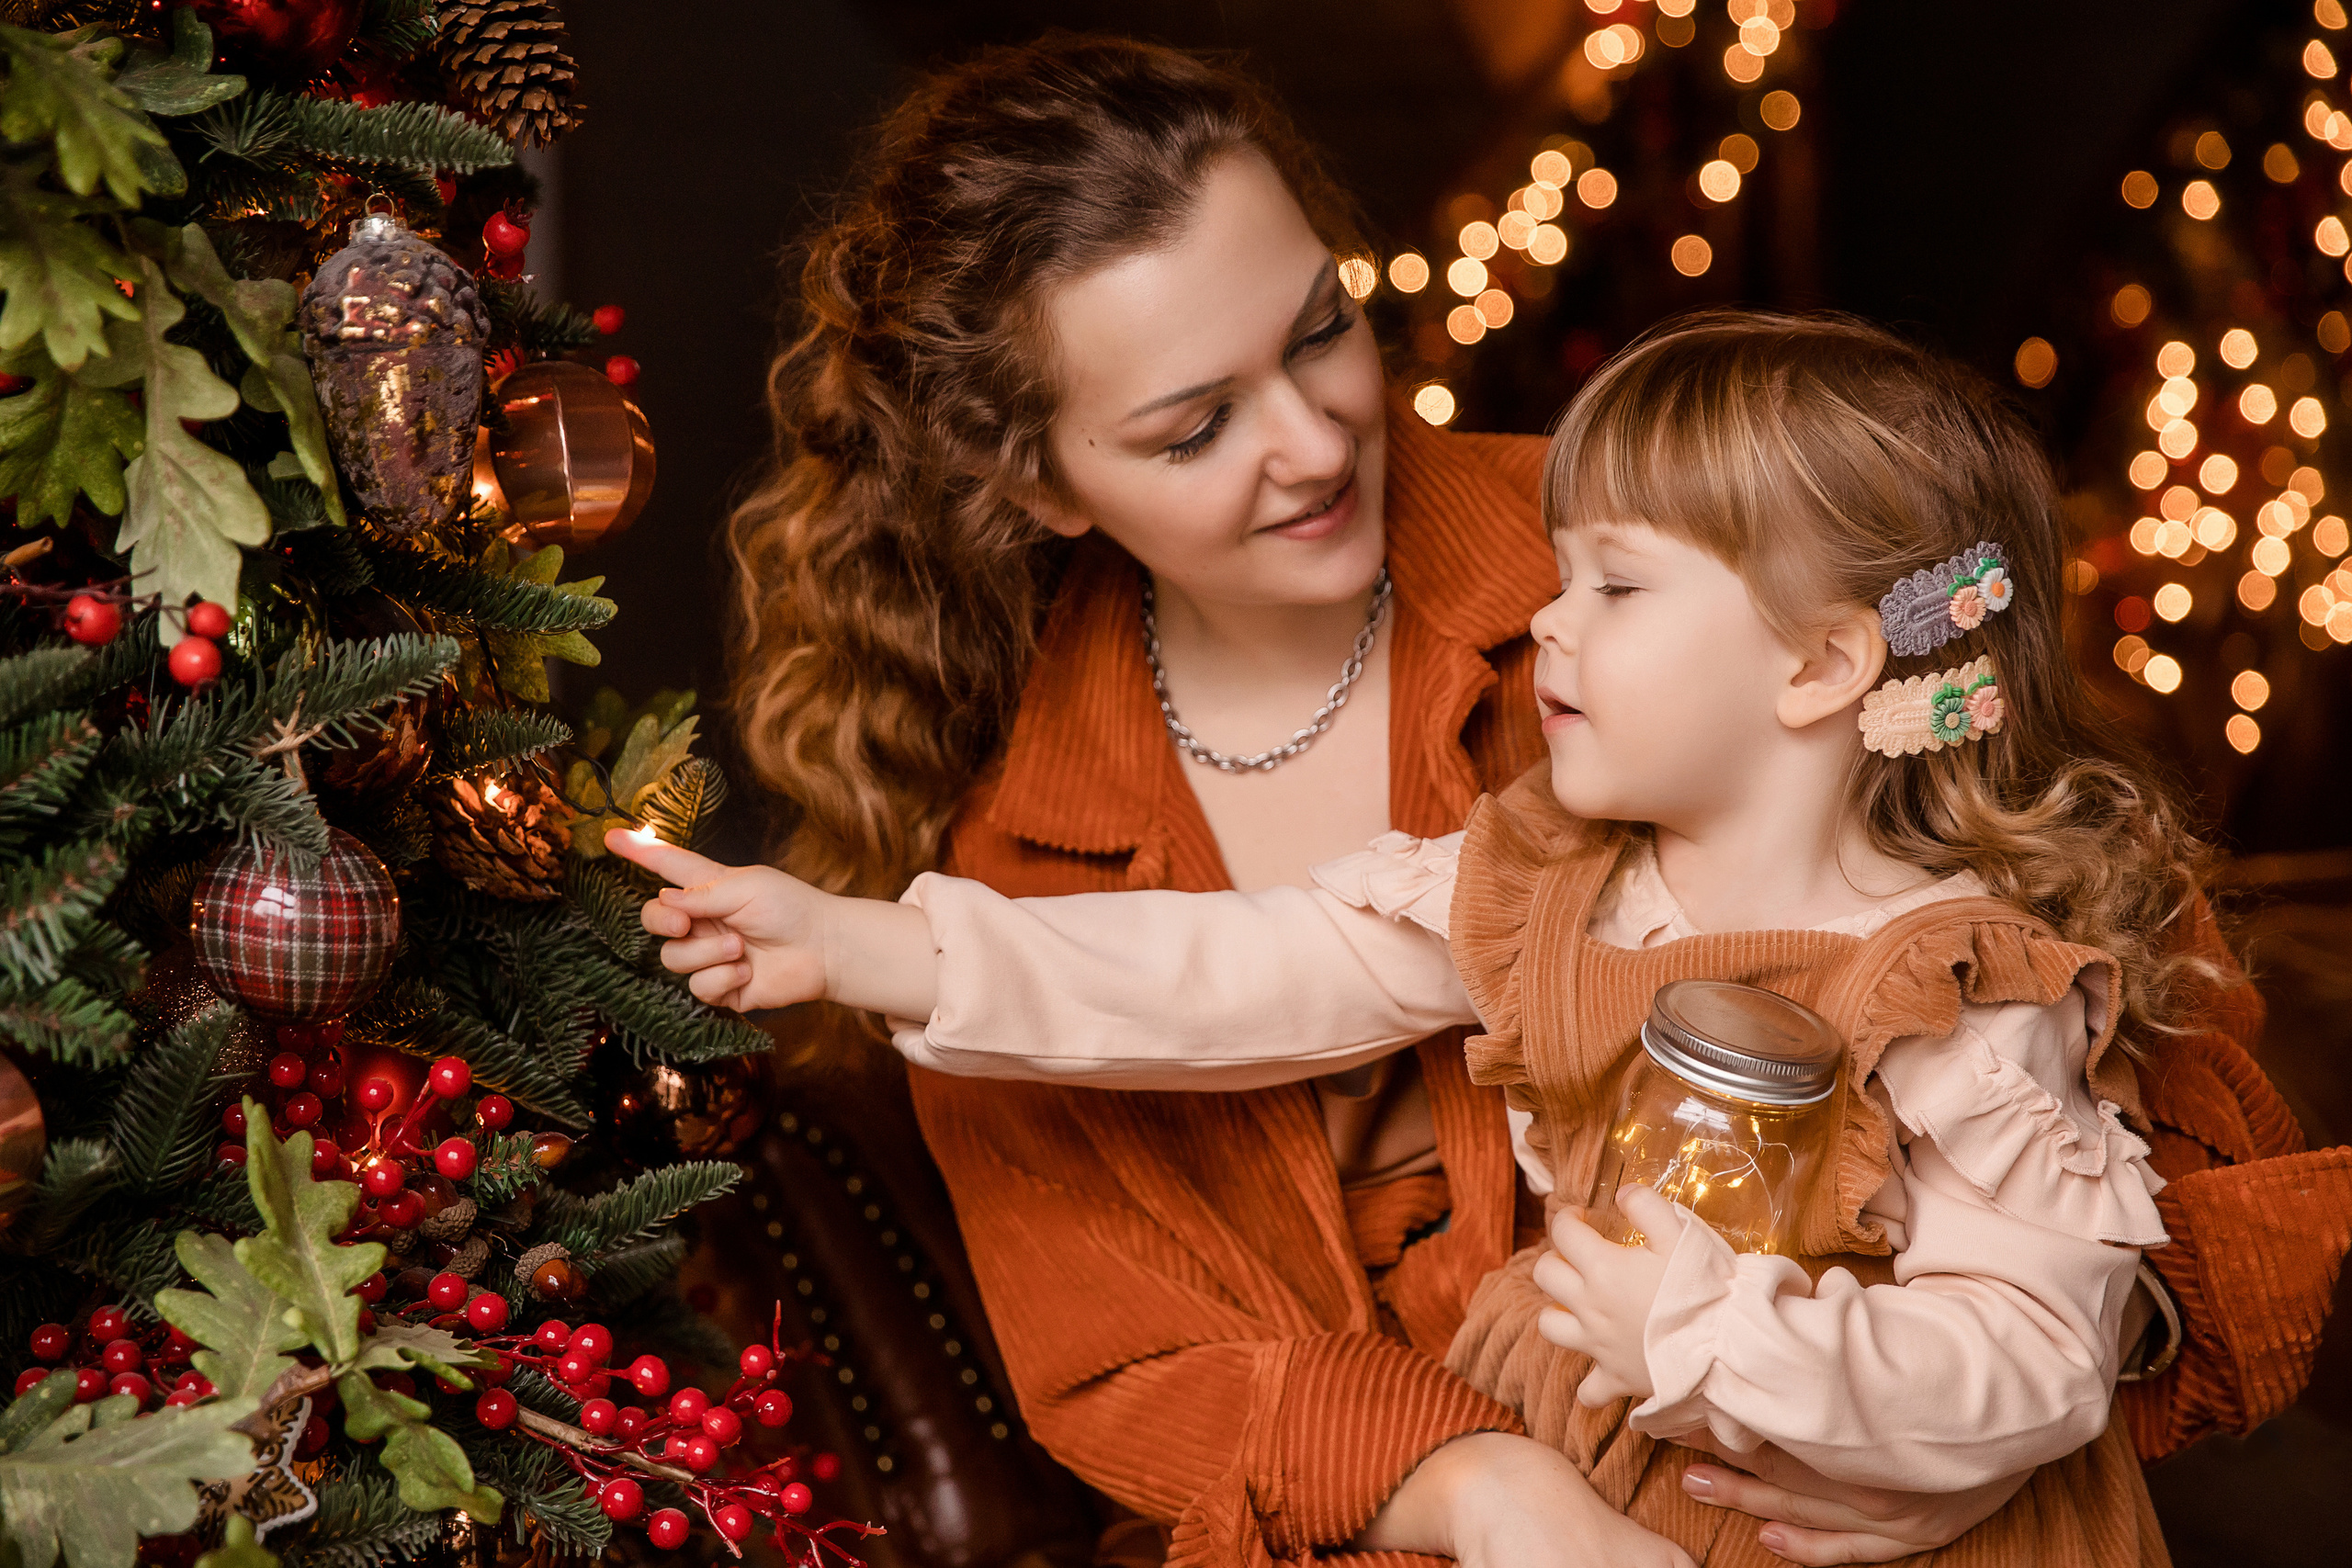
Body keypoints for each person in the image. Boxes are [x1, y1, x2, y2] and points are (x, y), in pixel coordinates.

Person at [692, 35, 2350, 1568]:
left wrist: (2008, 1405)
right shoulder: (1425, 847)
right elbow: (1217, 1042)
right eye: (1197, 426)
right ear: (1042, 482)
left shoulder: (1662, 539)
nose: (1318, 440)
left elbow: (2141, 1064)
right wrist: (1490, 1491)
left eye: (1322, 331)